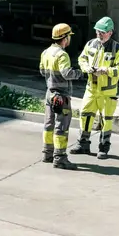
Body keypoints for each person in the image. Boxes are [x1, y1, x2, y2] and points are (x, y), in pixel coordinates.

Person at [73, 16, 119, 160]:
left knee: (106, 119)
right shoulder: (91, 44)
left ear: (110, 32)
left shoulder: (117, 48)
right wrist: (86, 68)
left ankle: (103, 148)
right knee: (85, 115)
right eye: (97, 31)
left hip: (107, 92)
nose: (99, 34)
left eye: (102, 32)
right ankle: (83, 144)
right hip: (91, 89)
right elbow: (82, 59)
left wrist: (106, 70)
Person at [39, 22, 84, 170]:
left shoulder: (46, 52)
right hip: (61, 96)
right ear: (64, 38)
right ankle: (60, 158)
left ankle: (47, 153)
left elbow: (42, 71)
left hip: (49, 94)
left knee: (48, 125)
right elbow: (67, 73)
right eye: (69, 37)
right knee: (61, 127)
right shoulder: (62, 55)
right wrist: (80, 73)